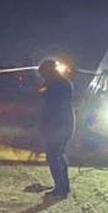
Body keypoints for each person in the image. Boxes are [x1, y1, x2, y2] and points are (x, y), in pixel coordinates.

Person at [36, 58, 75, 199]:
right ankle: (64, 186)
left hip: (58, 125)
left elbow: (50, 104)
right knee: (60, 154)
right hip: (66, 124)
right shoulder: (63, 83)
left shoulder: (56, 86)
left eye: (43, 74)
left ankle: (60, 190)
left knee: (53, 156)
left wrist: (46, 125)